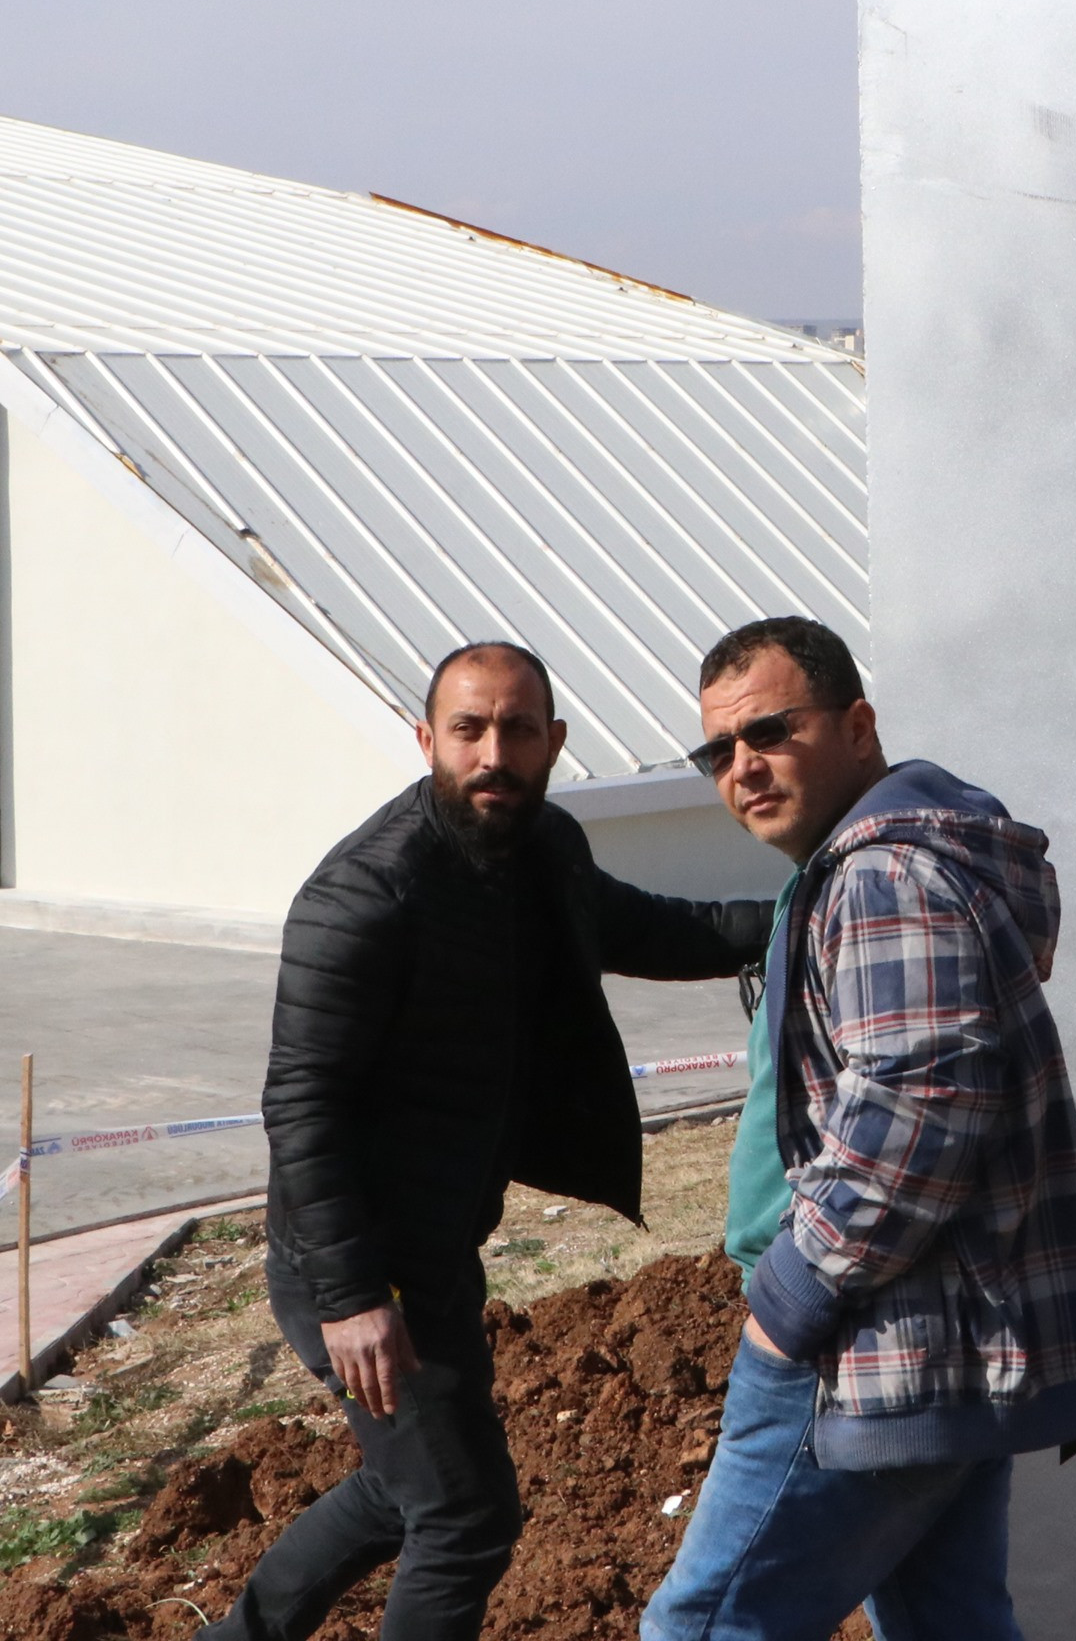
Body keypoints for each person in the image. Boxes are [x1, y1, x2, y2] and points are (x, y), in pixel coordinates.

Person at [208, 642, 770, 1641]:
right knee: (464, 1516)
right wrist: (352, 1299)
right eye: (468, 729)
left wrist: (799, 916)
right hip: (361, 1269)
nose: (493, 754)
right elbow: (301, 1102)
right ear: (427, 739)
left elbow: (645, 925)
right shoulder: (365, 894)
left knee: (407, 1489)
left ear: (554, 741)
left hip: (437, 1246)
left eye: (517, 730)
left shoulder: (541, 846)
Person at [643, 616, 1076, 1641]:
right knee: (949, 1623)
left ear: (857, 726)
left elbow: (920, 1107)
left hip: (868, 1342)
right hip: (928, 1337)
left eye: (769, 730)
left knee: (705, 1627)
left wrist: (790, 1298)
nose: (743, 765)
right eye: (717, 750)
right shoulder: (870, 865)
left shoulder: (883, 877)